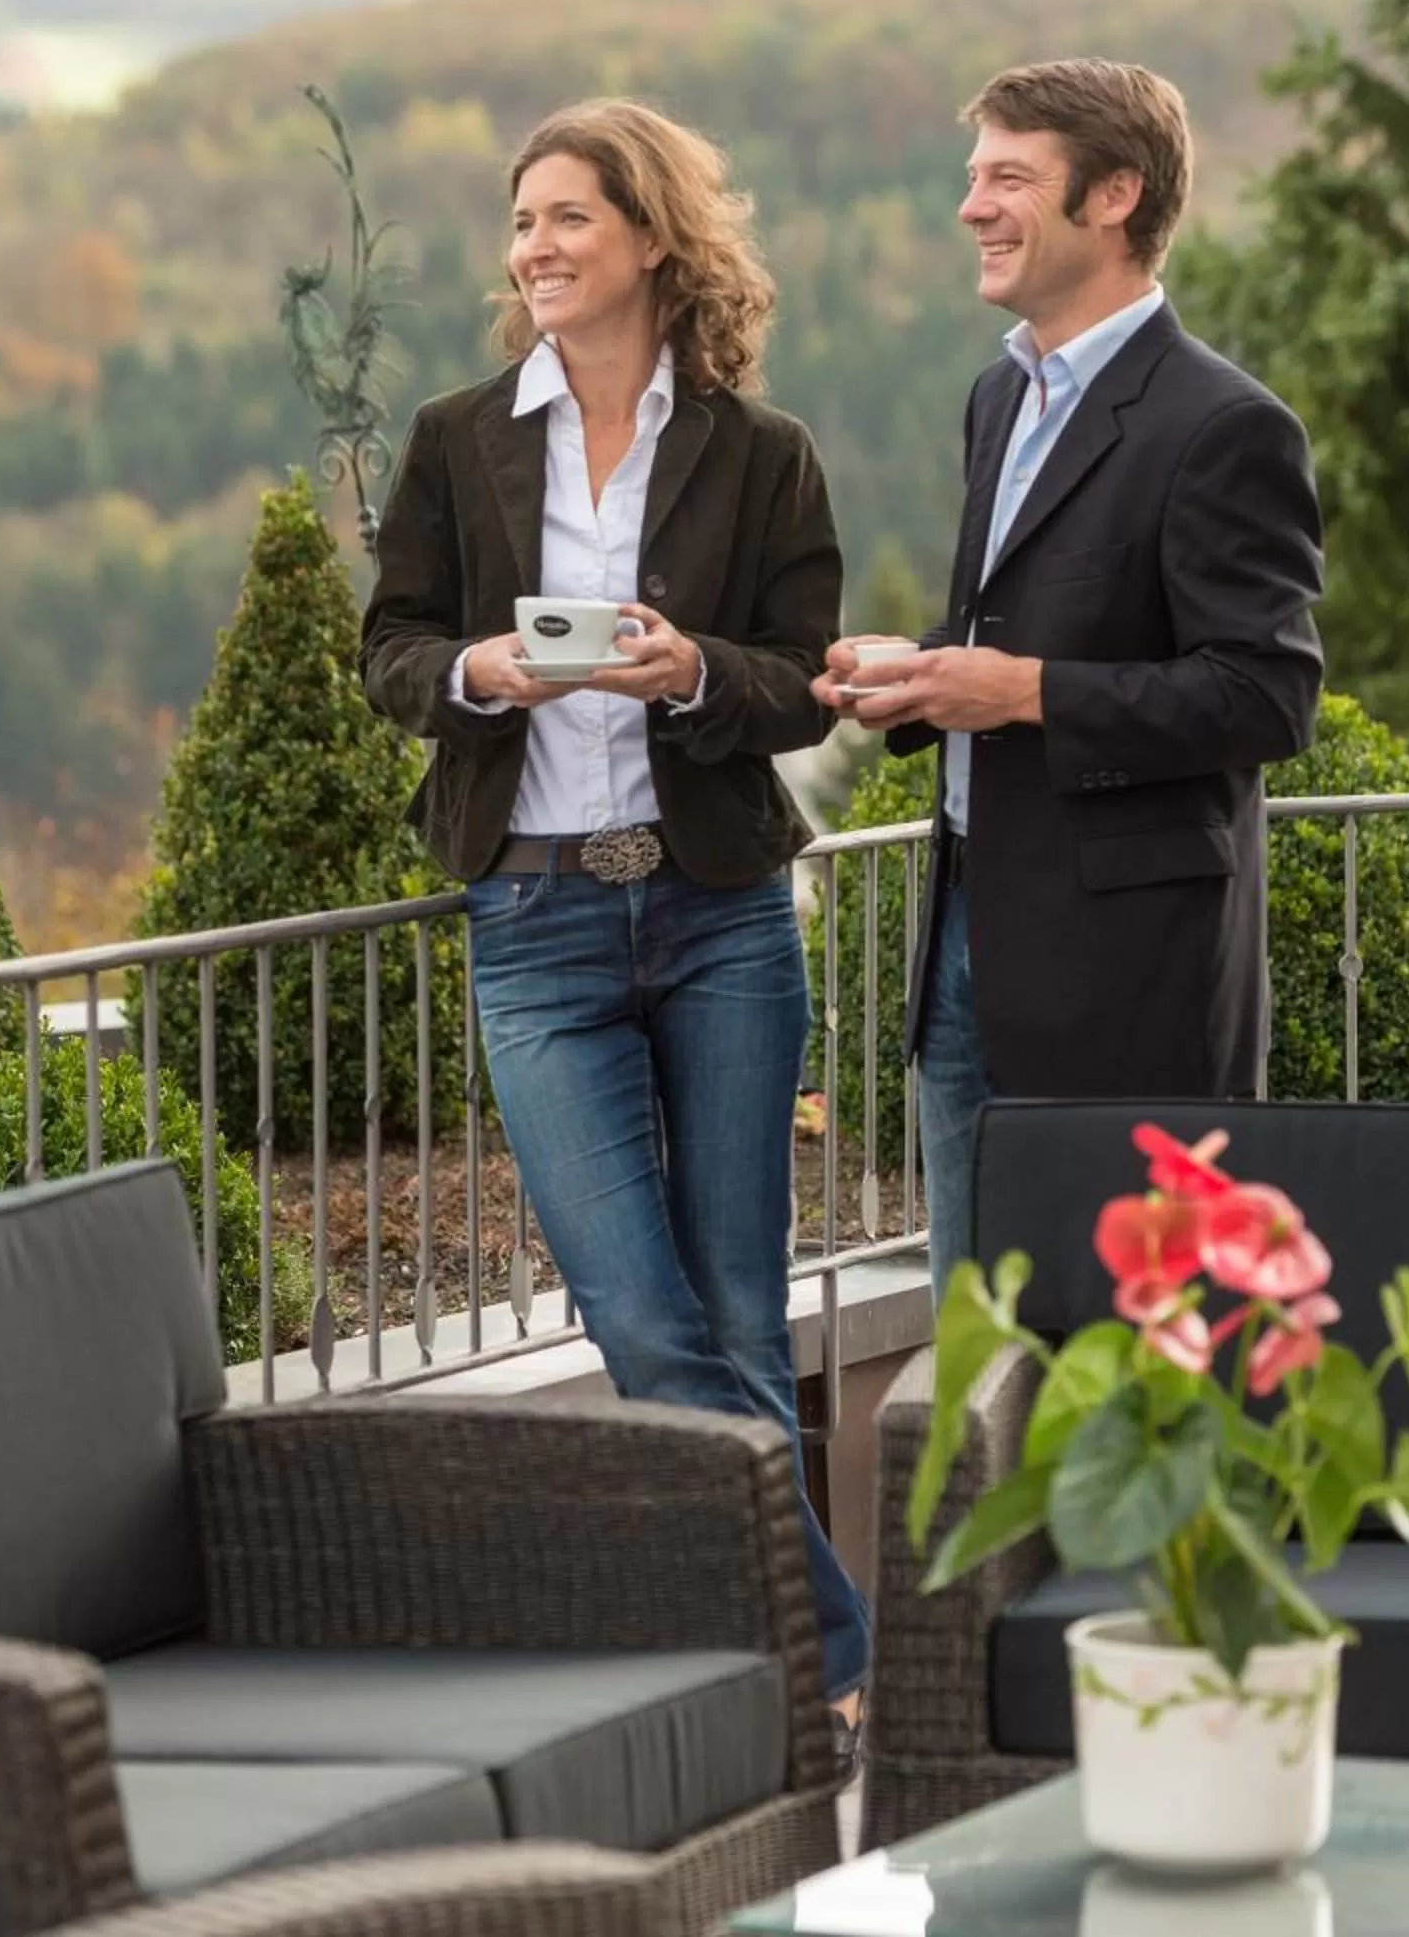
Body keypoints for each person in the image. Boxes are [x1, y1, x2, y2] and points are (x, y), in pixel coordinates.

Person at [360, 98, 868, 1741]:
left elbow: (804, 684)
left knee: (733, 1312)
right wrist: (475, 672)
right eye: (522, 225)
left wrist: (692, 670)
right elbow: (389, 654)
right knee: (642, 1316)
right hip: (536, 925)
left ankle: (774, 1689)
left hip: (720, 915)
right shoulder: (457, 438)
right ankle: (841, 1649)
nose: (536, 249)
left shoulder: (759, 448)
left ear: (653, 236)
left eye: (568, 217)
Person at [817, 59, 1325, 1298]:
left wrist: (1025, 692)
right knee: (979, 1340)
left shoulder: (1223, 424)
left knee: (1138, 1348)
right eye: (972, 175)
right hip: (962, 947)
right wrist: (917, 674)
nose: (970, 207)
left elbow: (1266, 697)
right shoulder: (1001, 396)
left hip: (1127, 976)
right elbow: (1012, 630)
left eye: (1007, 178)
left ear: (1113, 195)